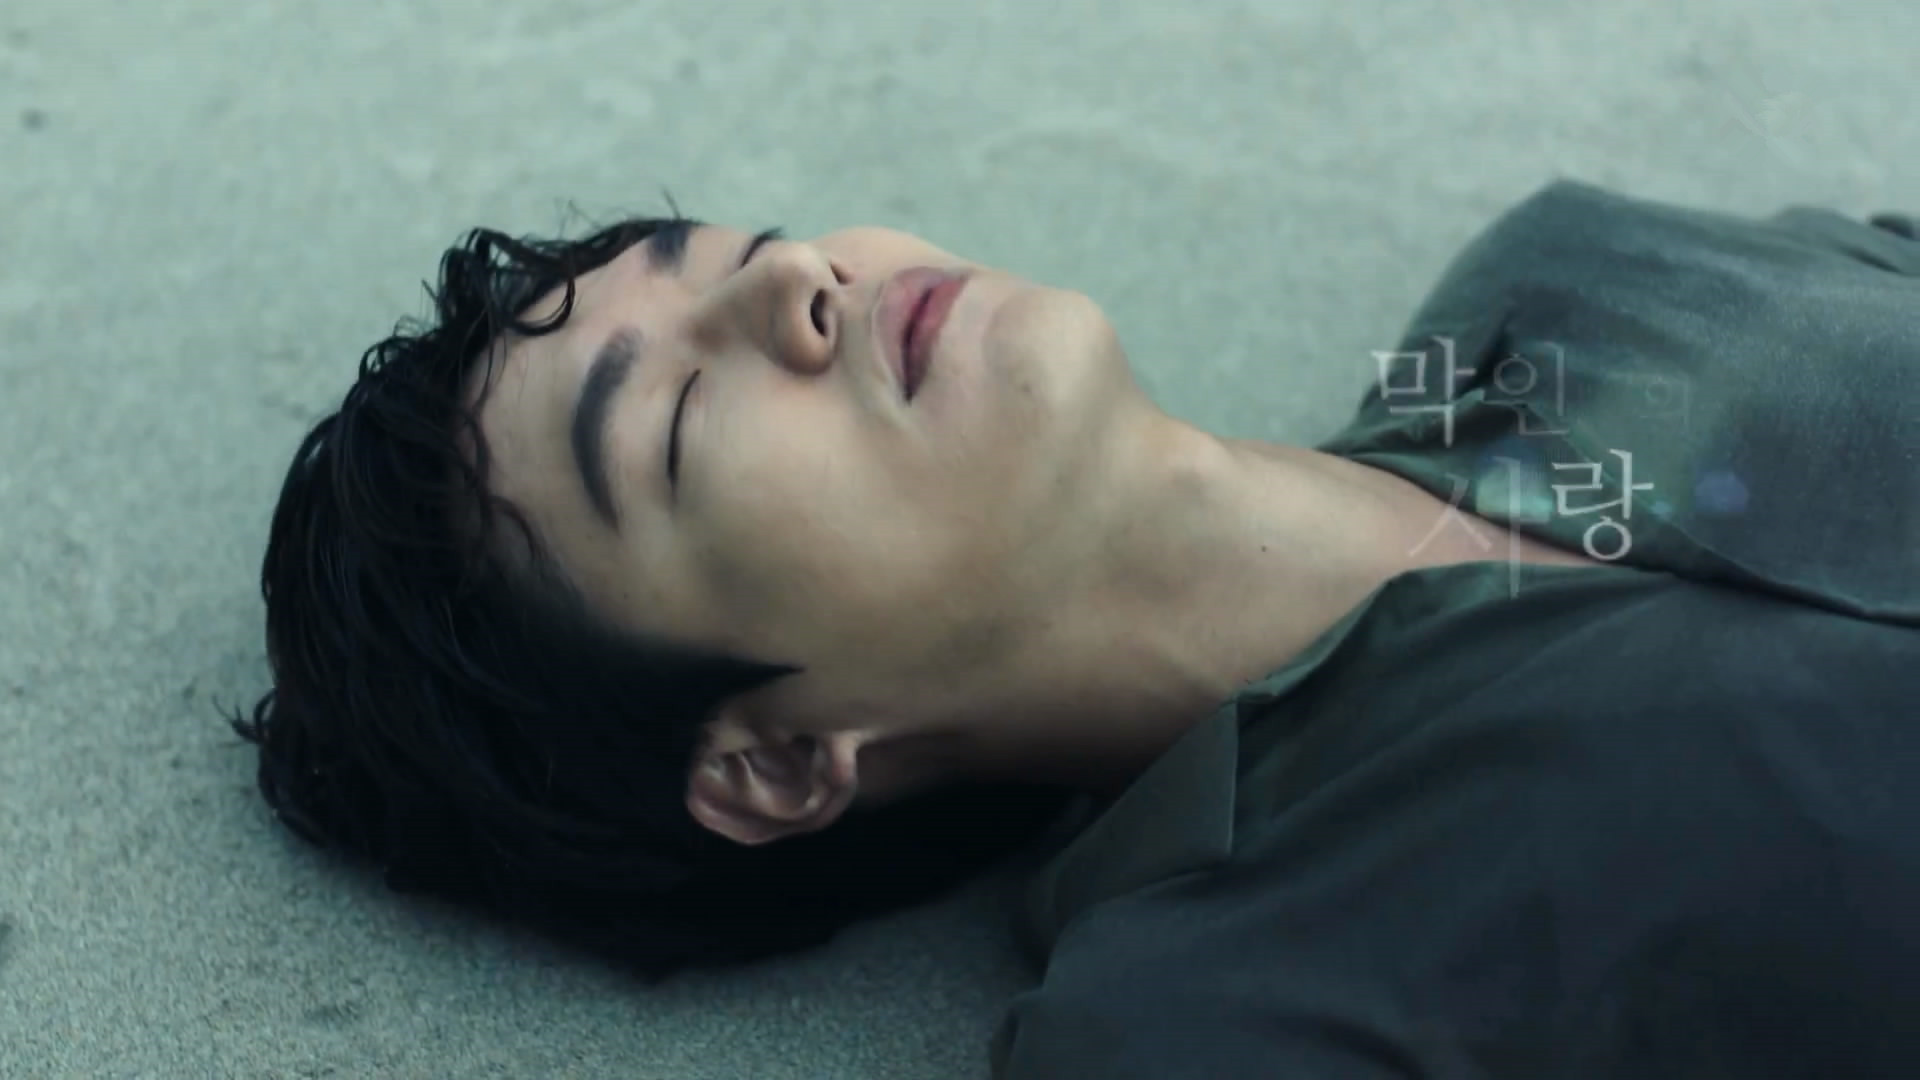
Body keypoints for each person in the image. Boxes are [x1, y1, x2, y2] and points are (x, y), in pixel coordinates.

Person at [235, 179, 1920, 1077]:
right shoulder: (1228, 1000)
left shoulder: (1561, 298)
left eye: (741, 249)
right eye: (675, 420)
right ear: (773, 764)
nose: (794, 285)